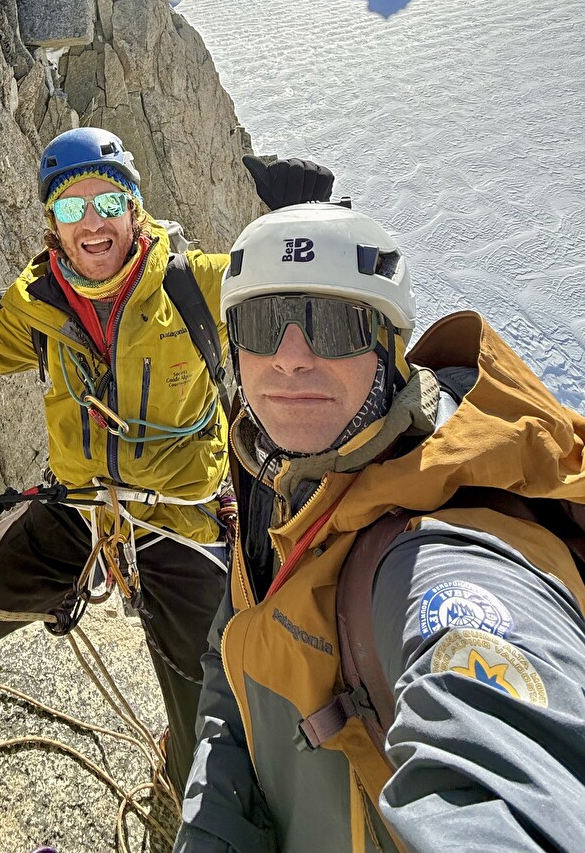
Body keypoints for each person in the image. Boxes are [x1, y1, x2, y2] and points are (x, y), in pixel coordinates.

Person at [177, 199, 585, 852]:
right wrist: (214, 820)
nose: (289, 357)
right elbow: (235, 649)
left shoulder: (442, 561)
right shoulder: (280, 479)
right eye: (261, 323)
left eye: (331, 324)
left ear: (389, 346)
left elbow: (507, 788)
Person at [0, 126, 235, 792]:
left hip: (179, 527)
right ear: (51, 225)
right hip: (75, 511)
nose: (92, 224)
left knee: (208, 758)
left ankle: (181, 774)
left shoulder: (196, 286)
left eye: (108, 204)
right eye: (70, 209)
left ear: (135, 210)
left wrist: (307, 222)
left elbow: (296, 302)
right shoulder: (39, 306)